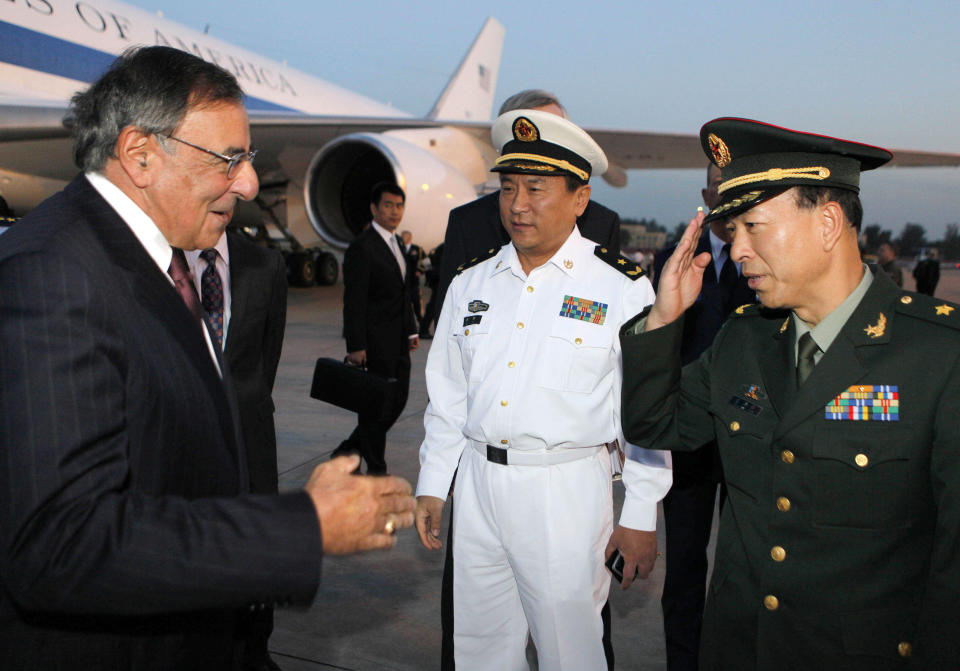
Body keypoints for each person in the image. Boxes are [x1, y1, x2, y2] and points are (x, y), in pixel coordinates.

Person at [0, 46, 414, 671]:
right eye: (229, 158)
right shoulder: (54, 275)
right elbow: (63, 545)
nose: (248, 182)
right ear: (140, 155)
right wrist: (303, 527)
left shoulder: (146, 262)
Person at [621, 117, 960, 669]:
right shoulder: (742, 338)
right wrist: (662, 321)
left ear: (828, 223)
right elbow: (655, 426)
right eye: (732, 233)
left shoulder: (939, 354)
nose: (740, 251)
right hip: (739, 647)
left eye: (754, 227)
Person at [415, 109, 671, 671]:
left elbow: (645, 412)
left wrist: (642, 512)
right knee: (479, 650)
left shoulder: (620, 289)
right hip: (480, 487)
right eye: (507, 188)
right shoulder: (472, 283)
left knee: (570, 652)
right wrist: (435, 482)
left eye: (536, 188)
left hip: (565, 493)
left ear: (580, 198)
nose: (518, 205)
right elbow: (448, 396)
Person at [652, 163, 755, 671]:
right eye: (720, 185)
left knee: (748, 572)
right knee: (686, 570)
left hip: (751, 444)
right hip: (689, 444)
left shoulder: (765, 259)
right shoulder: (675, 259)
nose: (728, 194)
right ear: (706, 193)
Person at [187, 230, 288, 671]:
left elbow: (269, 352)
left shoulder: (264, 264)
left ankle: (254, 649)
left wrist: (242, 406)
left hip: (251, 433)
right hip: (184, 436)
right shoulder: (162, 259)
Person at [435, 89, 622, 314]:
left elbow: (607, 310)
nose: (518, 206)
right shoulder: (467, 222)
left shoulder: (602, 224)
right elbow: (449, 316)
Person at [333, 182, 420, 474]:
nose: (394, 212)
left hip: (398, 339)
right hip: (374, 341)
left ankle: (348, 451)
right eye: (387, 205)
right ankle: (376, 466)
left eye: (399, 206)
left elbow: (403, 292)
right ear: (374, 208)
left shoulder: (396, 243)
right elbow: (353, 299)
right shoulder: (363, 246)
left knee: (397, 401)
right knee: (376, 406)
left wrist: (411, 329)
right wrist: (356, 345)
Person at [420, 242, 444, 338]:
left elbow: (425, 262)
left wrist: (430, 274)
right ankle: (424, 330)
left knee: (433, 306)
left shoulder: (439, 247)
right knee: (434, 307)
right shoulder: (449, 246)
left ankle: (424, 330)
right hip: (442, 281)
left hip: (437, 281)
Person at [401, 229, 425, 324]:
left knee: (416, 303)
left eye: (404, 237)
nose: (402, 238)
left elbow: (426, 262)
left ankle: (420, 321)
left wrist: (420, 271)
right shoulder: (398, 248)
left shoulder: (417, 249)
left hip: (413, 282)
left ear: (409, 238)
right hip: (402, 281)